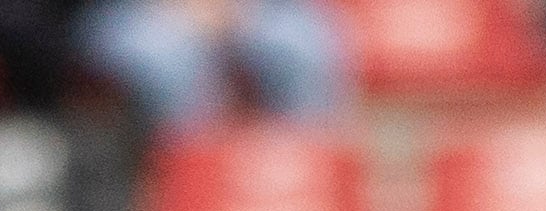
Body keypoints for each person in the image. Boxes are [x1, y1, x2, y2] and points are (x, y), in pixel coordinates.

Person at [78, 0, 350, 133]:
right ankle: (191, 191)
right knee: (166, 58)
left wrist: (232, 12)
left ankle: (299, 189)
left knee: (301, 44)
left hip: (252, 9)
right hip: (139, 13)